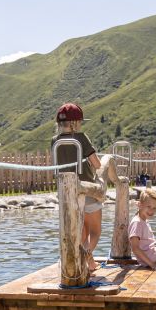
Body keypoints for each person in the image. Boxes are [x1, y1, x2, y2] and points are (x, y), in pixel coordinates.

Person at [51, 102, 102, 271]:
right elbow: (97, 164)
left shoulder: (54, 141)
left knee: (81, 231)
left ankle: (90, 264)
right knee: (94, 231)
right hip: (86, 189)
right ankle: (86, 255)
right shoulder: (80, 138)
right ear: (76, 123)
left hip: (66, 194)